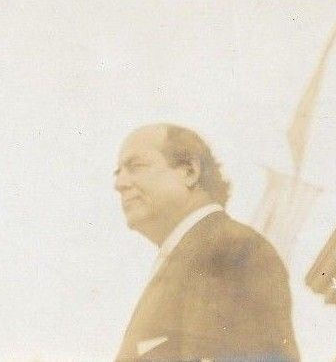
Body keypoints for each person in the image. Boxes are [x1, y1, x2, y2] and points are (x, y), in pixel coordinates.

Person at [114, 124, 299, 362]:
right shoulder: (190, 255)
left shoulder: (230, 248)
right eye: (117, 172)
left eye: (135, 167)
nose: (119, 183)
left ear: (190, 171)